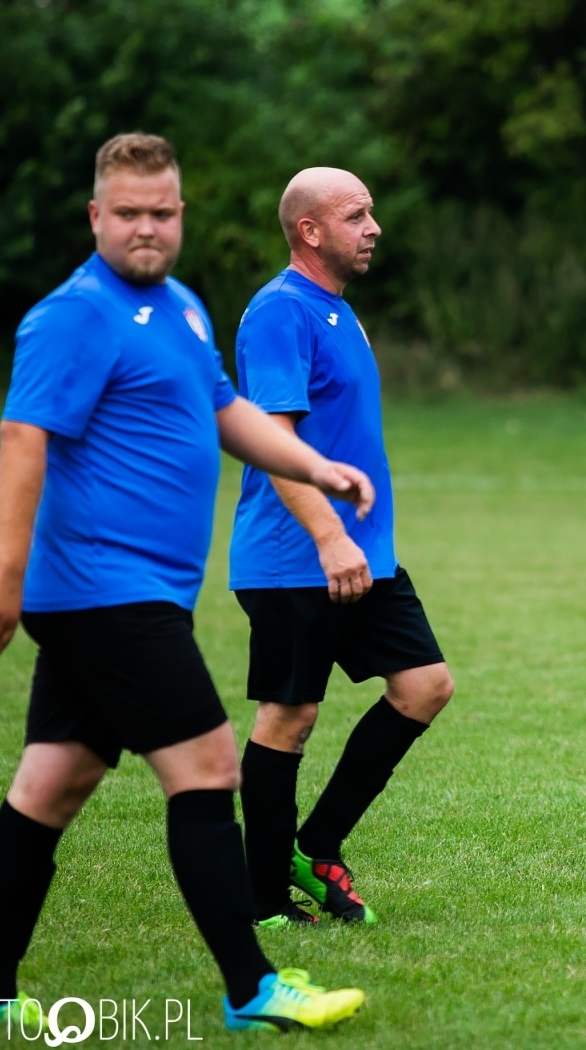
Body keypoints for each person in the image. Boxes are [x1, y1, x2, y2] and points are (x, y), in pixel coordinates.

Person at [0, 133, 368, 1033]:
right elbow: (23, 442)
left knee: (50, 784)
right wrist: (6, 578)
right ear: (96, 216)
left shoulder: (179, 306)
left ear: (181, 214)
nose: (147, 229)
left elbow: (229, 414)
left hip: (138, 592)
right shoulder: (72, 316)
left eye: (162, 212)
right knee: (209, 765)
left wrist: (318, 470)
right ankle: (253, 986)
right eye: (128, 213)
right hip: (103, 592)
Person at [230, 168, 453, 927]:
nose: (374, 226)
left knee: (424, 685)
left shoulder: (337, 312)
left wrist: (352, 540)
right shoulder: (278, 313)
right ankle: (262, 901)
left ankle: (316, 844)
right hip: (296, 556)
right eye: (356, 215)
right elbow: (270, 442)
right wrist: (328, 536)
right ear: (310, 231)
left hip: (361, 553)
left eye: (372, 211)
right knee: (287, 719)